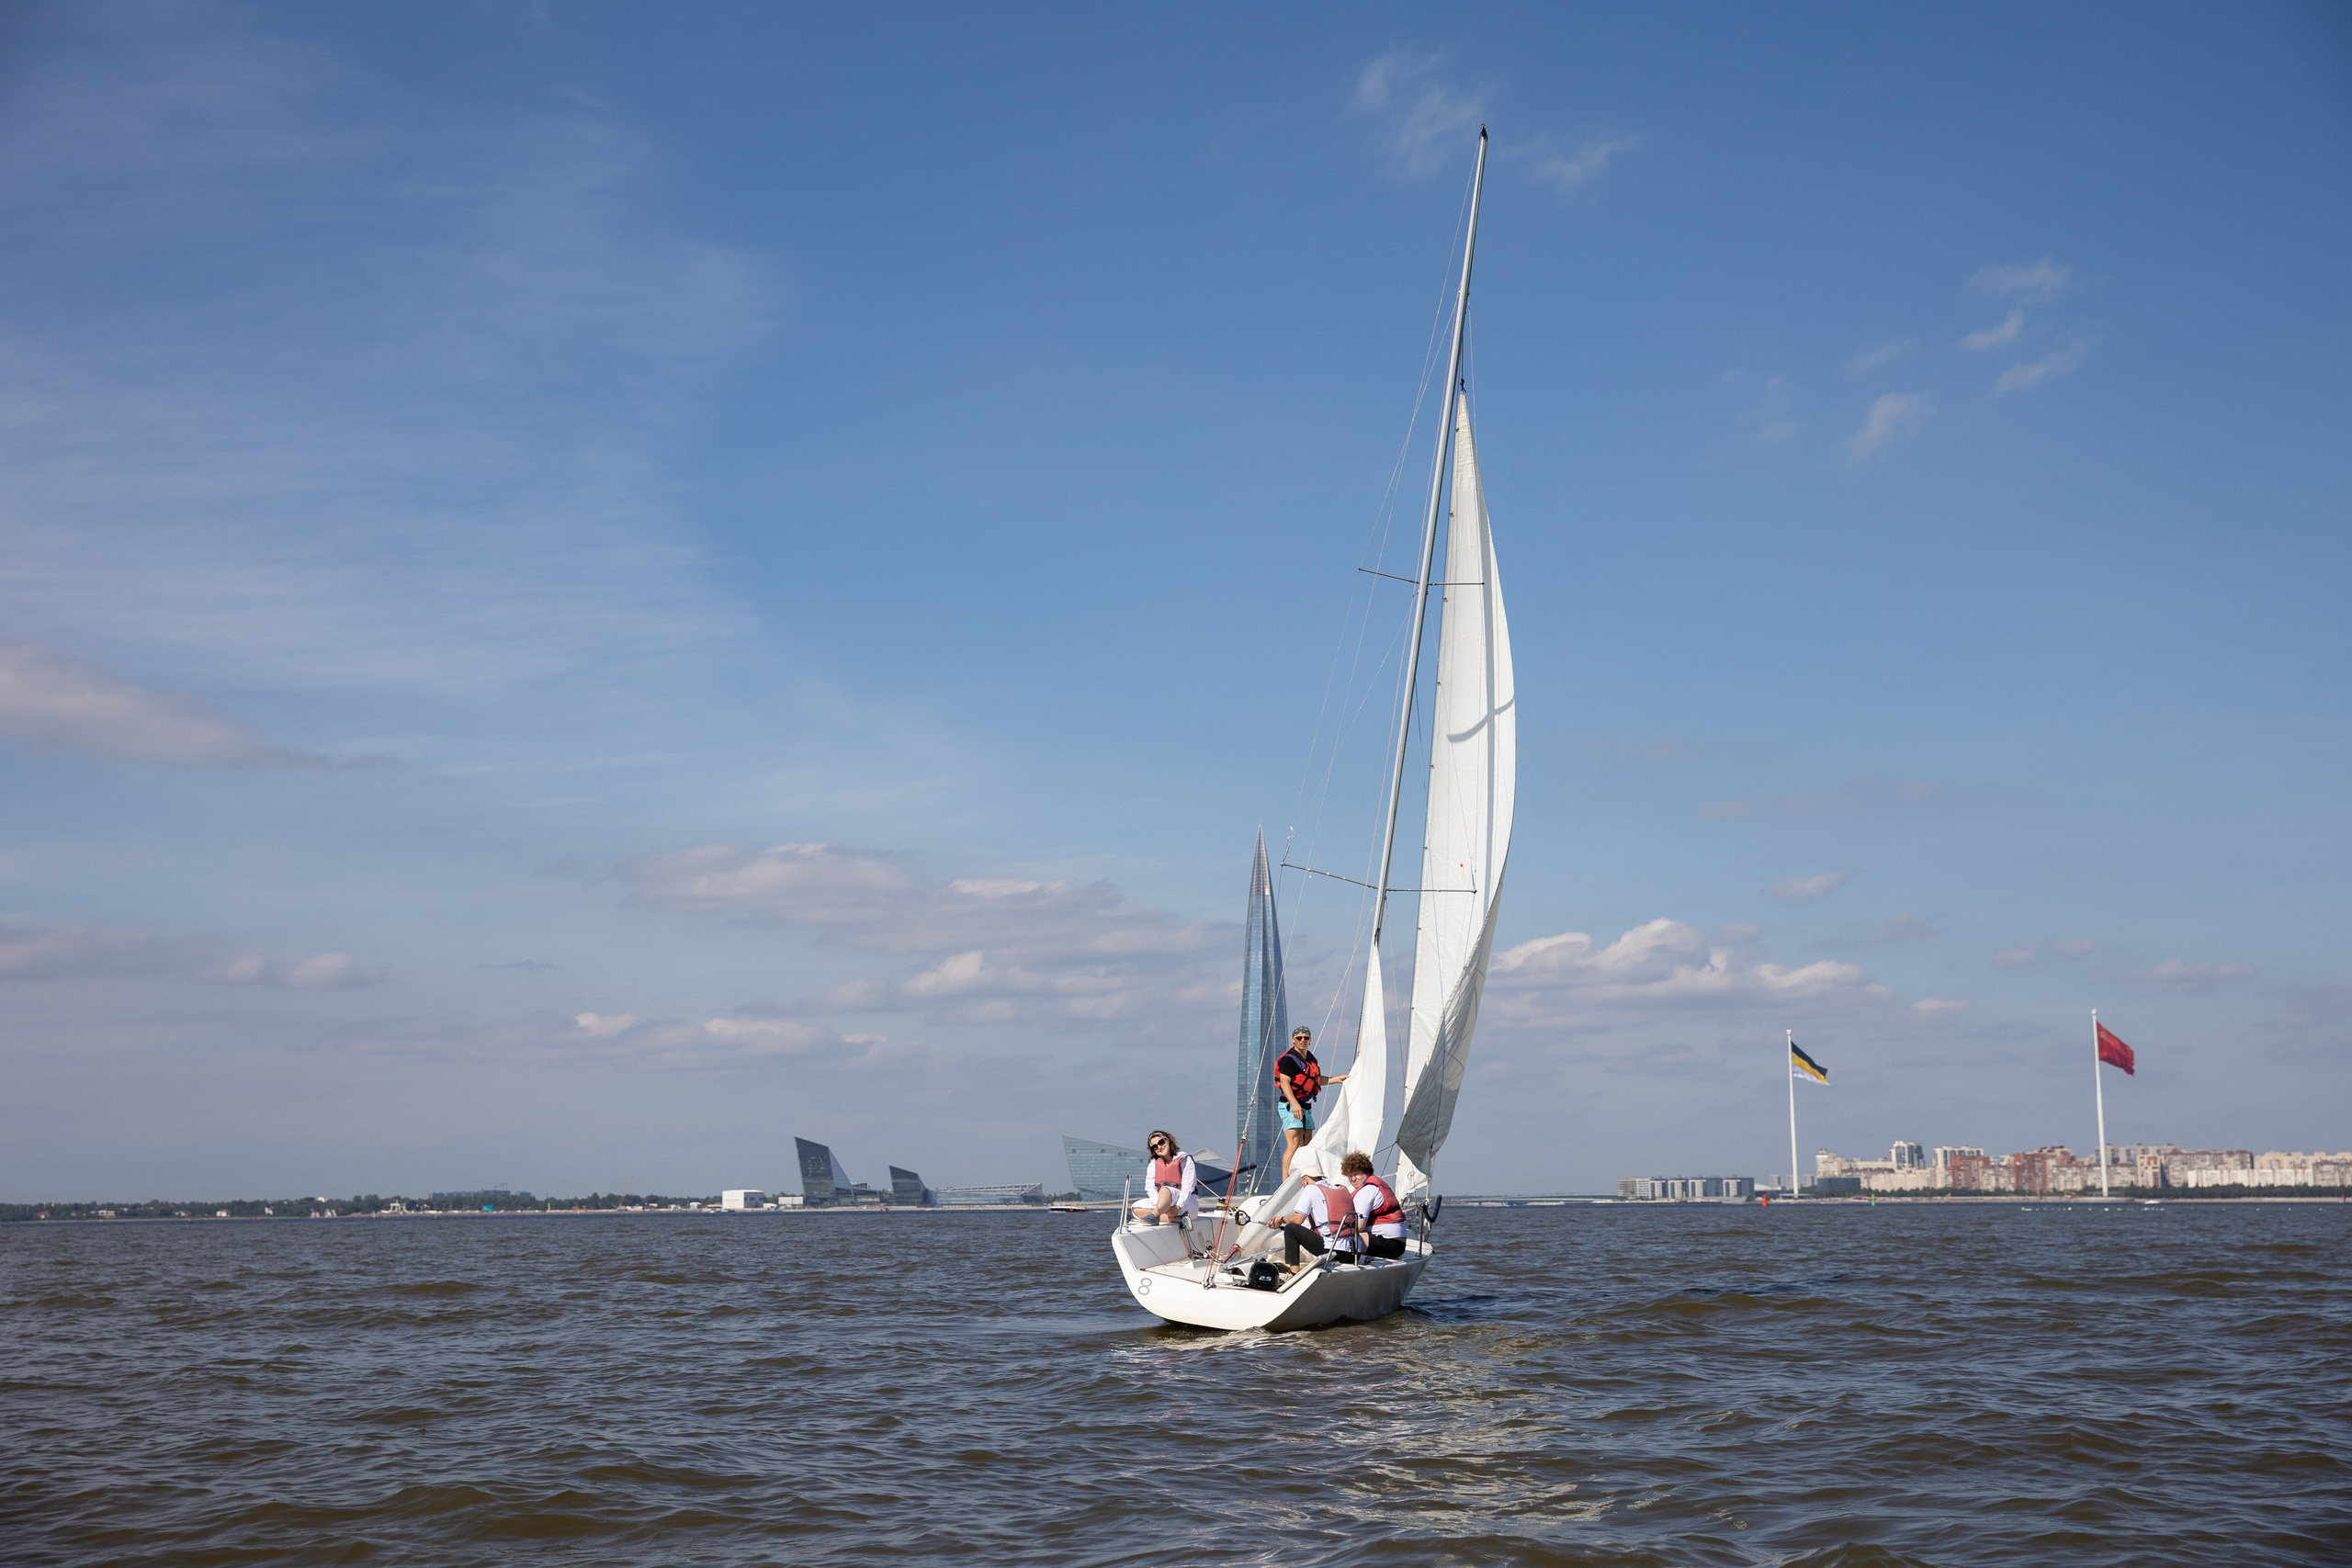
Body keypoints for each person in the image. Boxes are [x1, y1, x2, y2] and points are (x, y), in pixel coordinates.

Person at [1274, 1026, 1346, 1179]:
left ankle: (1304, 1178)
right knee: (1293, 1144)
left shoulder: (1310, 1059)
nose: (1303, 1040)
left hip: (1306, 1107)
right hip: (1290, 1105)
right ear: (1293, 1040)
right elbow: (1285, 1083)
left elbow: (1315, 1080)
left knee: (1306, 1146)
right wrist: (1294, 1104)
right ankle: (1285, 1182)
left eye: (1306, 1038)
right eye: (1299, 1038)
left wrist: (1336, 1080)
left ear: (1310, 1040)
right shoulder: (1289, 1059)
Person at [1272, 1172, 1365, 1270]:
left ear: (1305, 1180)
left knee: (1291, 1229)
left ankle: (1294, 1273)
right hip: (1354, 1253)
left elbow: (1298, 1220)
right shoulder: (1338, 1189)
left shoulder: (1310, 1188)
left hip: (1333, 1252)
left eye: (1302, 1184)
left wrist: (1281, 1220)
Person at [1341, 1151, 1409, 1259]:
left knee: (1341, 1241)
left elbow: (1359, 1226)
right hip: (1396, 1243)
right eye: (1350, 1175)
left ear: (1367, 1172)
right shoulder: (1374, 1187)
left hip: (1391, 1244)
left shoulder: (1367, 1191)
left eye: (1357, 1174)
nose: (1353, 1179)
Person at [1130, 1131, 1199, 1226]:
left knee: (1165, 1189)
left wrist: (1178, 1207)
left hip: (1186, 1204)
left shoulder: (1185, 1159)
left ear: (1168, 1141)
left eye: (1161, 1142)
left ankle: (1155, 1215)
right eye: (1155, 1146)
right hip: (1163, 1203)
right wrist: (1160, 1205)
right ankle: (1179, 1220)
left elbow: (1188, 1187)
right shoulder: (1153, 1163)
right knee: (1135, 1208)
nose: (1159, 1147)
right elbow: (1150, 1187)